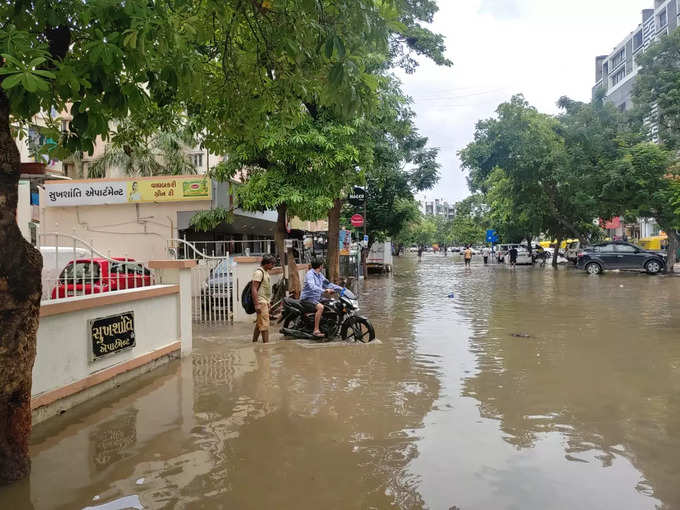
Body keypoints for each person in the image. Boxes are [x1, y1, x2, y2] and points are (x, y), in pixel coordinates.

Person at [300, 258, 344, 338]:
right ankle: (316, 330)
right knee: (320, 307)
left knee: (332, 303)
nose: (322, 267)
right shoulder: (310, 274)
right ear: (320, 266)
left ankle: (327, 325)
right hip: (307, 298)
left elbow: (328, 284)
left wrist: (341, 289)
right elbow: (312, 286)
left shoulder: (320, 275)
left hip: (317, 298)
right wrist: (324, 291)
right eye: (322, 265)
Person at [251, 255, 276, 343]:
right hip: (261, 302)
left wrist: (269, 302)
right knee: (265, 325)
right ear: (267, 264)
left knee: (259, 324)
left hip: (265, 301)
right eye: (272, 264)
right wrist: (257, 304)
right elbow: (254, 288)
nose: (273, 266)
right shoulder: (259, 273)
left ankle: (254, 342)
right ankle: (266, 346)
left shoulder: (265, 272)